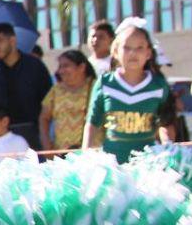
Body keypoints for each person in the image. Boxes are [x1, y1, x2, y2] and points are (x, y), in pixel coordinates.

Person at [84, 17, 174, 163]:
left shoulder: (158, 85)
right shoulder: (105, 83)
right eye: (127, 47)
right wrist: (85, 155)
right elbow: (93, 122)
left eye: (139, 48)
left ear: (149, 53)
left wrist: (169, 151)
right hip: (113, 165)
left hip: (147, 165)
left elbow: (166, 123)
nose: (133, 53)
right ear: (115, 51)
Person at [0, 22, 53, 150]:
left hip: (33, 130)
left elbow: (48, 99)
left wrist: (45, 134)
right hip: (3, 134)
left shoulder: (35, 66)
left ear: (12, 40)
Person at [39, 50, 98, 152]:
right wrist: (47, 146)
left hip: (92, 153)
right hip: (62, 155)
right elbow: (44, 118)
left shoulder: (96, 88)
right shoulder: (56, 90)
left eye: (66, 66)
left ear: (81, 67)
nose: (61, 71)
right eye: (60, 66)